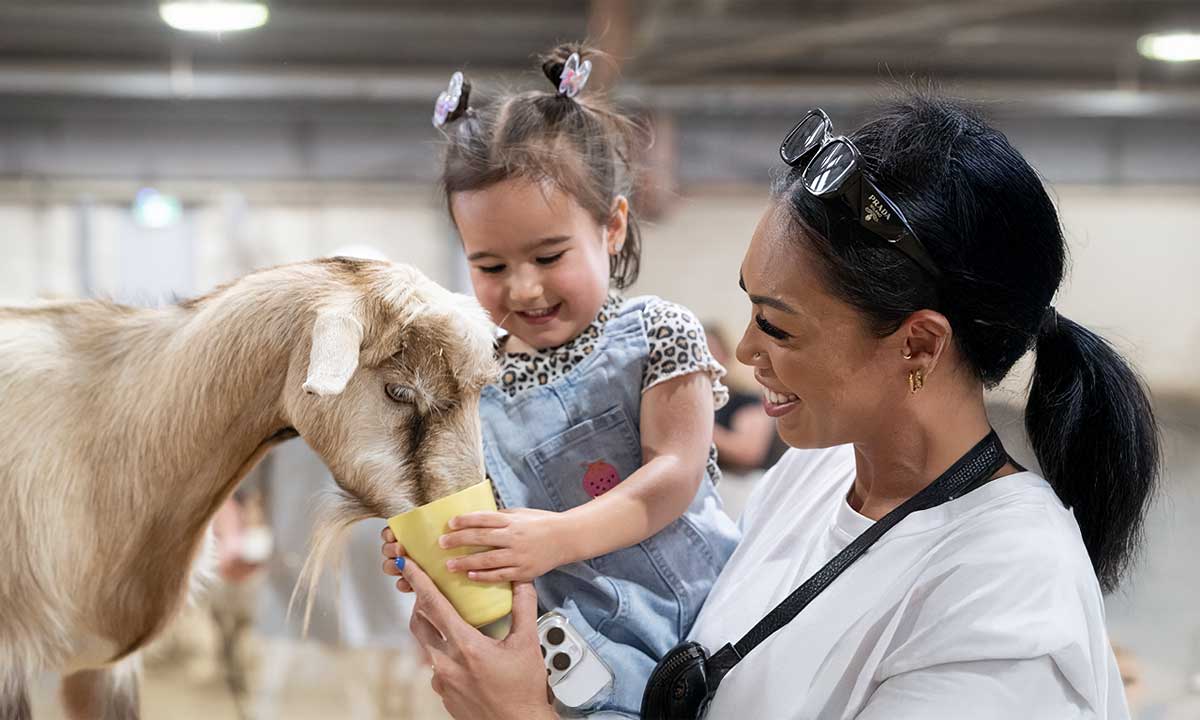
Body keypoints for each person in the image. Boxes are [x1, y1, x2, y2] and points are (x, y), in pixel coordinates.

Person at [380, 91, 1160, 719]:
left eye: (779, 325)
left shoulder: (1005, 599)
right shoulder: (813, 477)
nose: (745, 354)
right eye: (749, 308)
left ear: (918, 346)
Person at [389, 43, 740, 717]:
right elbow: (473, 502)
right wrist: (437, 546)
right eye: (490, 267)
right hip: (573, 657)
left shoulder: (658, 334)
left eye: (549, 256)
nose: (524, 288)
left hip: (699, 620)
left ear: (611, 226)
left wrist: (554, 538)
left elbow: (675, 474)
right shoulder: (470, 378)